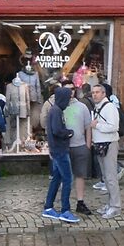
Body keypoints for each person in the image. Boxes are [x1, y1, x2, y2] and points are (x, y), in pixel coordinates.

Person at [41, 84, 77, 222]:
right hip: (60, 151)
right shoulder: (56, 111)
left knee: (56, 179)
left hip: (56, 150)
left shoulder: (56, 110)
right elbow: (57, 130)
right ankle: (65, 210)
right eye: (68, 98)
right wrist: (69, 133)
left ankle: (48, 207)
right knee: (67, 179)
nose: (69, 101)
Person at [90, 81, 123, 218]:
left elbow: (114, 127)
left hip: (109, 144)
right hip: (100, 144)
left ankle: (115, 206)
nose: (94, 95)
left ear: (103, 93)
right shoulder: (98, 107)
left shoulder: (109, 107)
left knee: (111, 177)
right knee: (105, 177)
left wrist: (96, 126)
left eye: (97, 92)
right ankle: (110, 204)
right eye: (93, 92)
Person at [65, 83, 94, 216]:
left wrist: (87, 145)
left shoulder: (82, 107)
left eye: (72, 89)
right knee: (64, 176)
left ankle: (80, 202)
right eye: (67, 90)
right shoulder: (60, 107)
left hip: (80, 145)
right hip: (65, 147)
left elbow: (88, 126)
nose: (70, 92)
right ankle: (64, 203)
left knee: (80, 175)